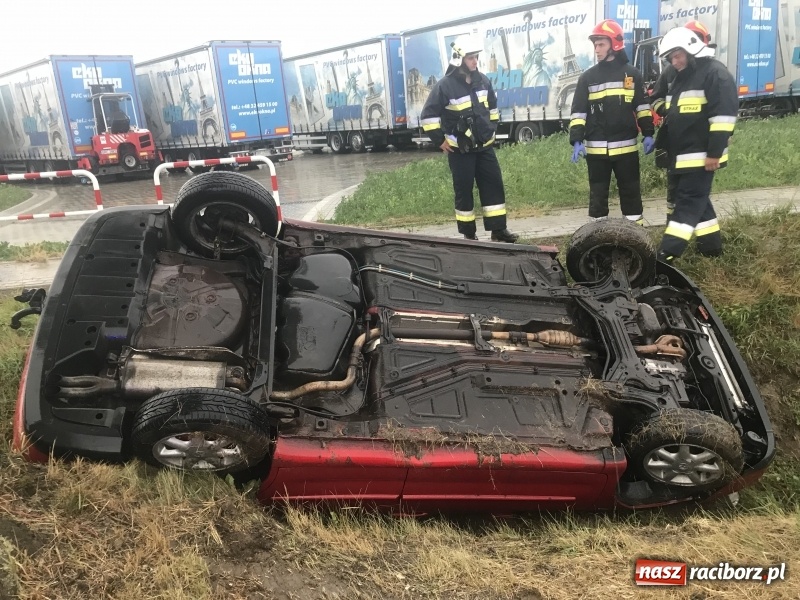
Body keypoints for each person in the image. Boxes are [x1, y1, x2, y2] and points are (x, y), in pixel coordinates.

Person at [419, 34, 518, 242]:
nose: (475, 61)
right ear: (459, 59)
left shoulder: (483, 80)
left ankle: (498, 231)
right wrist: (439, 140)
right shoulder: (444, 86)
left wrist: (491, 129)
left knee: (494, 186)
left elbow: (492, 107)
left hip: (484, 147)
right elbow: (428, 116)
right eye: (471, 57)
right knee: (464, 191)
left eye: (476, 57)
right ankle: (469, 234)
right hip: (460, 150)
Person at [655, 26, 737, 262]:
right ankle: (711, 248)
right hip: (682, 155)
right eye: (670, 57)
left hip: (703, 156)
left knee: (688, 203)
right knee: (700, 201)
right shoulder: (682, 75)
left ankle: (666, 254)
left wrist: (714, 153)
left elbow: (723, 119)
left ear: (691, 50)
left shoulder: (715, 74)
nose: (674, 61)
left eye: (677, 55)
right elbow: (673, 110)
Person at [568, 19, 655, 224]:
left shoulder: (632, 75)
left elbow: (642, 108)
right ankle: (597, 237)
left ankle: (636, 235)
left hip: (626, 149)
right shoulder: (587, 78)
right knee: (597, 195)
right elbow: (578, 112)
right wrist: (576, 140)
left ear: (614, 44)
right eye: (595, 45)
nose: (596, 50)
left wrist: (649, 133)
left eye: (601, 44)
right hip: (597, 150)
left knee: (631, 191)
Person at [650, 20, 714, 223]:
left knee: (696, 190)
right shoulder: (670, 72)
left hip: (699, 141)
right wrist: (670, 111)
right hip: (674, 139)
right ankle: (674, 225)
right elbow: (655, 98)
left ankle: (697, 234)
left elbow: (721, 108)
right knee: (674, 187)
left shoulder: (710, 72)